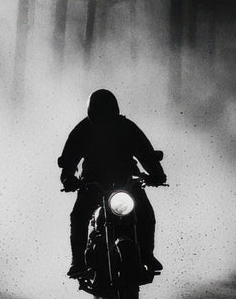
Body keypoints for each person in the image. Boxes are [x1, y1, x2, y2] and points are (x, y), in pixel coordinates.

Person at [58, 89, 167, 278]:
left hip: (126, 182)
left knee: (145, 213)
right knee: (79, 216)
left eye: (107, 114)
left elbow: (146, 153)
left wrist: (157, 174)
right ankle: (78, 261)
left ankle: (147, 254)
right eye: (100, 115)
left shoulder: (127, 128)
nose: (104, 120)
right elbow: (69, 159)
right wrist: (68, 178)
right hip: (93, 183)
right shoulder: (82, 131)